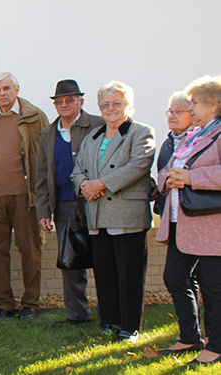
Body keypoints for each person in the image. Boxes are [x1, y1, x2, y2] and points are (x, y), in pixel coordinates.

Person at [70, 80, 155, 343]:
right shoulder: (93, 137)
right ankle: (110, 322)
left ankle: (130, 326)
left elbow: (137, 166)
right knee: (105, 273)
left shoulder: (141, 133)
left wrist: (101, 184)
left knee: (129, 274)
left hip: (126, 214)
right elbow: (77, 169)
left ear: (129, 106)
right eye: (105, 104)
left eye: (117, 103)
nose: (110, 108)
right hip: (97, 215)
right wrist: (84, 184)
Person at [156, 75, 221, 365]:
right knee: (174, 276)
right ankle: (190, 336)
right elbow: (167, 168)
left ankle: (216, 345)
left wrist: (191, 177)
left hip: (210, 224)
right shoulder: (194, 134)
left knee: (213, 285)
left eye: (194, 102)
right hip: (181, 222)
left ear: (214, 104)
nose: (190, 107)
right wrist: (168, 178)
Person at [0, 72, 49, 320]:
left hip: (25, 196)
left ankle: (30, 302)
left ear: (17, 89)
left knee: (30, 250)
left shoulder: (34, 117)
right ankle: (3, 304)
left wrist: (44, 194)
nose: (2, 93)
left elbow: (45, 154)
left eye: (6, 88)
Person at [34, 79, 104, 324]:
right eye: (59, 101)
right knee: (71, 262)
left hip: (96, 202)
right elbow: (42, 175)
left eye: (70, 100)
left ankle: (109, 314)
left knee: (103, 259)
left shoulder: (97, 124)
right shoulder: (48, 133)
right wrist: (43, 211)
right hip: (64, 205)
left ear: (80, 102)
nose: (64, 105)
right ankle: (77, 314)